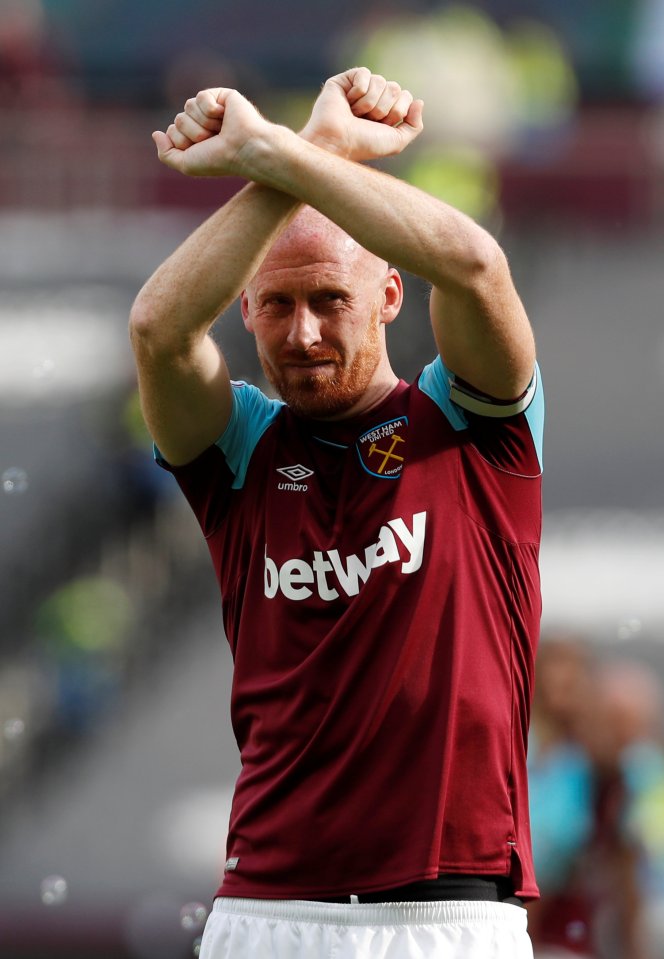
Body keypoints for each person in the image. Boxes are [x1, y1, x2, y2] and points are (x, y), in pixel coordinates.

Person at [129, 67, 544, 959]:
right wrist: (315, 152)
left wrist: (274, 152)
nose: (304, 332)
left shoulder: (472, 423)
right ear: (243, 306)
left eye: (331, 300)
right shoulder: (238, 446)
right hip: (268, 912)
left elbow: (474, 265)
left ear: (391, 296)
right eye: (276, 304)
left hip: (453, 913)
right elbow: (159, 331)